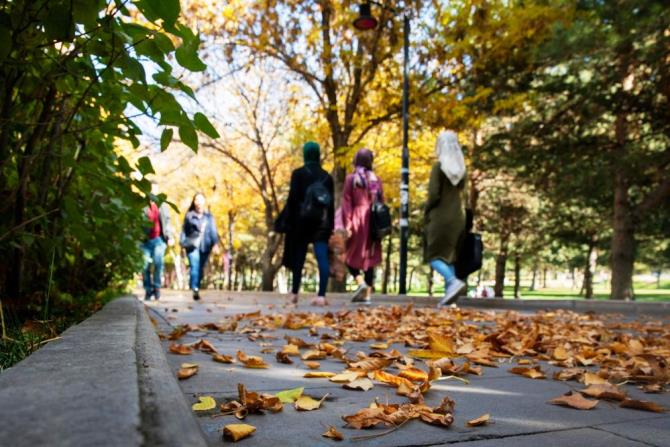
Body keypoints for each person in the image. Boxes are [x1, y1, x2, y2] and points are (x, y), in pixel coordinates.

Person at [281, 141, 334, 306]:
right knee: (322, 258)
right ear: (318, 154)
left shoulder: (298, 174)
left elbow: (292, 200)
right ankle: (321, 296)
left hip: (301, 222)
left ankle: (295, 293)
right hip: (321, 223)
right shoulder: (328, 177)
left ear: (305, 154)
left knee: (299, 258)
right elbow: (331, 204)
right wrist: (330, 225)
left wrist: (286, 221)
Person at [424, 130, 467, 306]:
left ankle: (452, 281)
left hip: (440, 217)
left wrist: (426, 210)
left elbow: (434, 194)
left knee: (433, 255)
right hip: (458, 217)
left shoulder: (439, 167)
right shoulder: (462, 169)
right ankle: (450, 297)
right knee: (449, 256)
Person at [341, 148, 384, 303]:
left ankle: (361, 283)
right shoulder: (376, 180)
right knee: (370, 257)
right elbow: (381, 202)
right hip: (373, 221)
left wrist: (348, 223)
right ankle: (367, 295)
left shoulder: (351, 179)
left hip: (358, 219)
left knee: (348, 254)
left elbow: (347, 202)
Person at [180, 193, 220, 300]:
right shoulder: (189, 215)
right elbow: (184, 230)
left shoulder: (209, 217)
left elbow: (213, 231)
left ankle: (196, 285)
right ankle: (195, 288)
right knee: (195, 266)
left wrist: (216, 244)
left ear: (204, 201)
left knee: (200, 268)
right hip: (192, 246)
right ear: (194, 201)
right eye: (196, 199)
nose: (198, 201)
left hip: (205, 246)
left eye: (201, 199)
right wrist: (182, 243)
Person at [141, 200, 173, 300]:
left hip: (159, 240)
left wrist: (169, 236)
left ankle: (157, 287)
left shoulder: (163, 206)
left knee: (158, 262)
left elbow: (167, 221)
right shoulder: (142, 205)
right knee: (144, 265)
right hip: (145, 240)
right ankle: (148, 289)